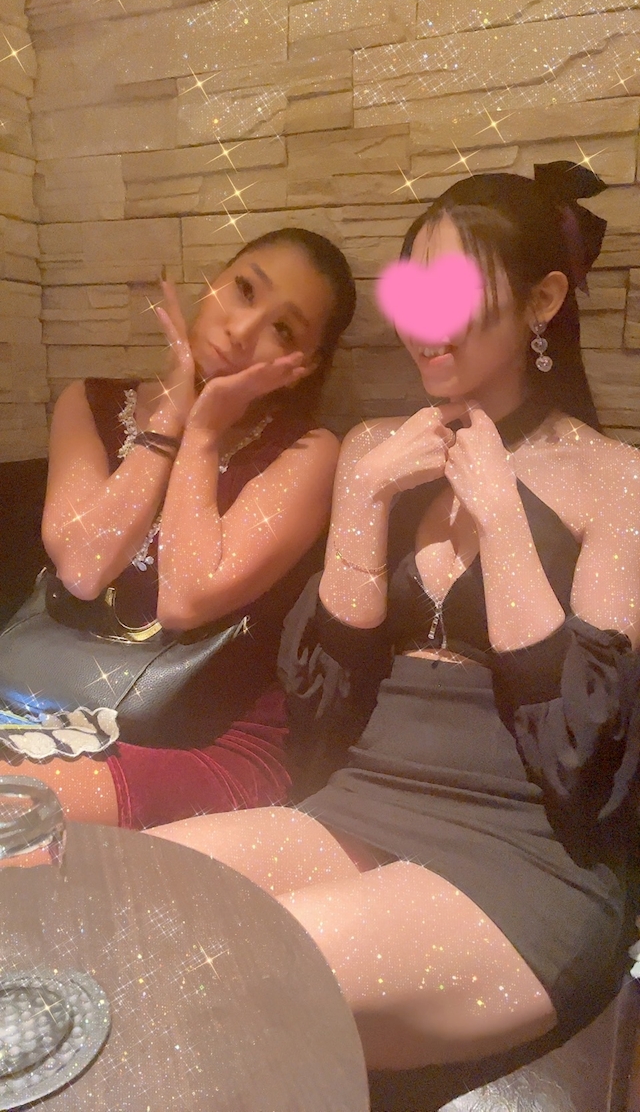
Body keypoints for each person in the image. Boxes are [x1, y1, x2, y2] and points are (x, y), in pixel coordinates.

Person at [147, 164, 640, 1075]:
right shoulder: (378, 447)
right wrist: (367, 499)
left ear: (543, 300)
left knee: (236, 972)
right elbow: (322, 713)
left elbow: (584, 757)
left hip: (523, 853)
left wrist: (503, 515)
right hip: (356, 800)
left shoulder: (617, 480)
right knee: (130, 897)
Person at [0, 227, 356, 828]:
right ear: (212, 283)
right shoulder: (88, 403)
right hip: (53, 704)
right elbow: (84, 568)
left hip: (204, 736)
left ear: (305, 367)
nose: (242, 330)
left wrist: (204, 431)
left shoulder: (309, 452)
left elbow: (185, 599)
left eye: (282, 329)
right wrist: (170, 414)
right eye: (244, 290)